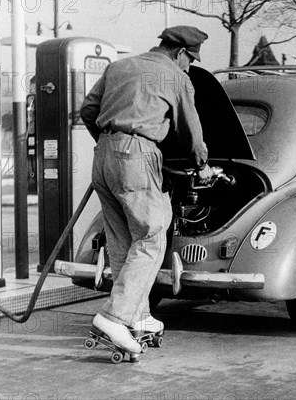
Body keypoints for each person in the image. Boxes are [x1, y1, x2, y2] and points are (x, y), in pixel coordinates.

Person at [80, 25, 214, 354]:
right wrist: (202, 166)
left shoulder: (119, 66)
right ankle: (115, 317)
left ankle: (138, 317)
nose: (189, 66)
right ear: (181, 52)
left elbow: (87, 110)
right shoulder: (177, 77)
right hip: (138, 156)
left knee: (124, 243)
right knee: (153, 235)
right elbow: (192, 133)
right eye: (190, 60)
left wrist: (112, 147)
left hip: (102, 157)